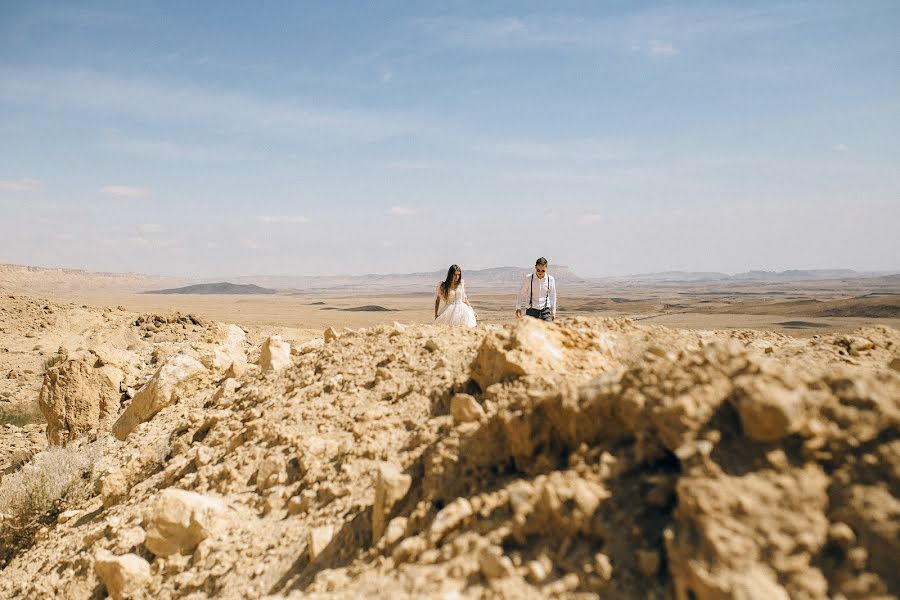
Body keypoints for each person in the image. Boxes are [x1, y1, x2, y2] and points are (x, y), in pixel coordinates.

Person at [515, 257, 557, 322]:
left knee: (548, 330)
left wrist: (553, 312)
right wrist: (518, 308)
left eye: (543, 270)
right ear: (535, 267)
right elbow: (522, 293)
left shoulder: (550, 279)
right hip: (531, 312)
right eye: (538, 270)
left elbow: (553, 296)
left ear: (546, 268)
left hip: (545, 312)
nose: (540, 272)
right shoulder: (528, 278)